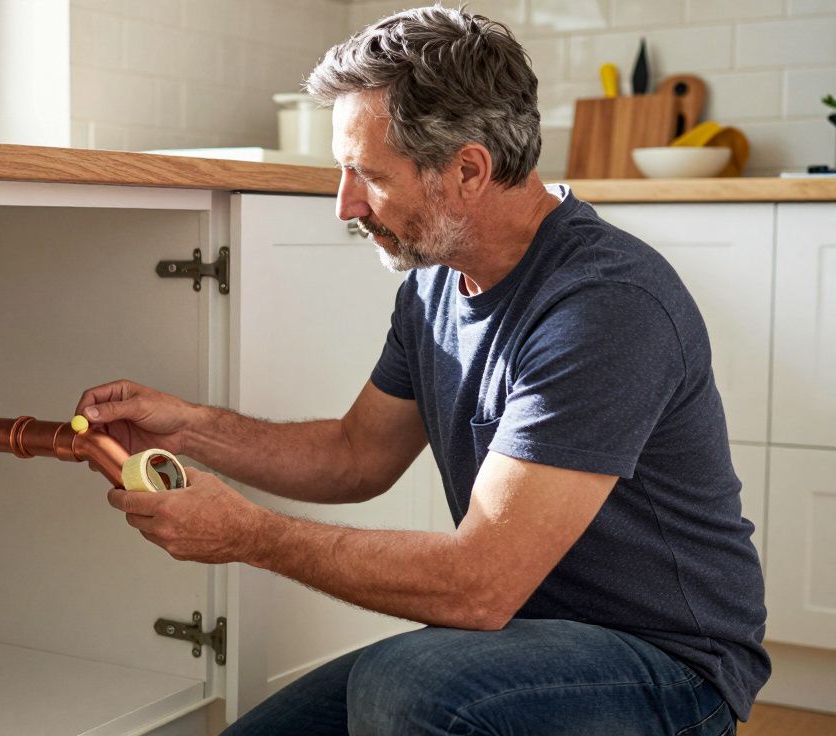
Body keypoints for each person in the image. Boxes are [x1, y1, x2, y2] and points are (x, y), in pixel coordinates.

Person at [76, 6, 768, 735]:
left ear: (468, 170)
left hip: (668, 666)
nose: (344, 204)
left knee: (409, 685)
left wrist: (248, 534)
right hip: (519, 640)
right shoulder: (434, 284)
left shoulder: (603, 305)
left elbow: (480, 586)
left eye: (366, 175)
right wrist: (190, 427)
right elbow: (355, 456)